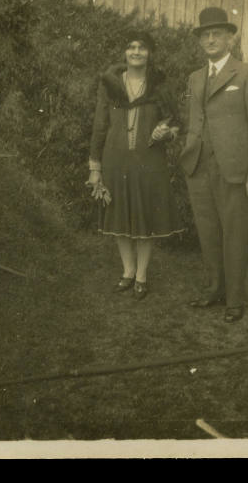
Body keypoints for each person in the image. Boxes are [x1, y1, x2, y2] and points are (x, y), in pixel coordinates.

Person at [180, 7, 248, 323]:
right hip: (199, 166)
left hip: (233, 168)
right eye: (205, 34)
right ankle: (214, 290)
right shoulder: (195, 78)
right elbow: (197, 120)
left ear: (231, 38)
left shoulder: (247, 74)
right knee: (208, 232)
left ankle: (235, 300)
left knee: (234, 234)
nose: (211, 39)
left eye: (217, 33)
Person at [87, 30, 184, 300]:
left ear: (150, 52)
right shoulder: (109, 84)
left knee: (143, 217)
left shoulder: (160, 85)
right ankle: (127, 271)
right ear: (124, 52)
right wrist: (95, 167)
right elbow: (99, 125)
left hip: (149, 161)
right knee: (119, 214)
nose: (136, 52)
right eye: (131, 46)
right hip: (114, 160)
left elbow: (176, 122)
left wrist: (167, 132)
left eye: (142, 47)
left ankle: (141, 275)